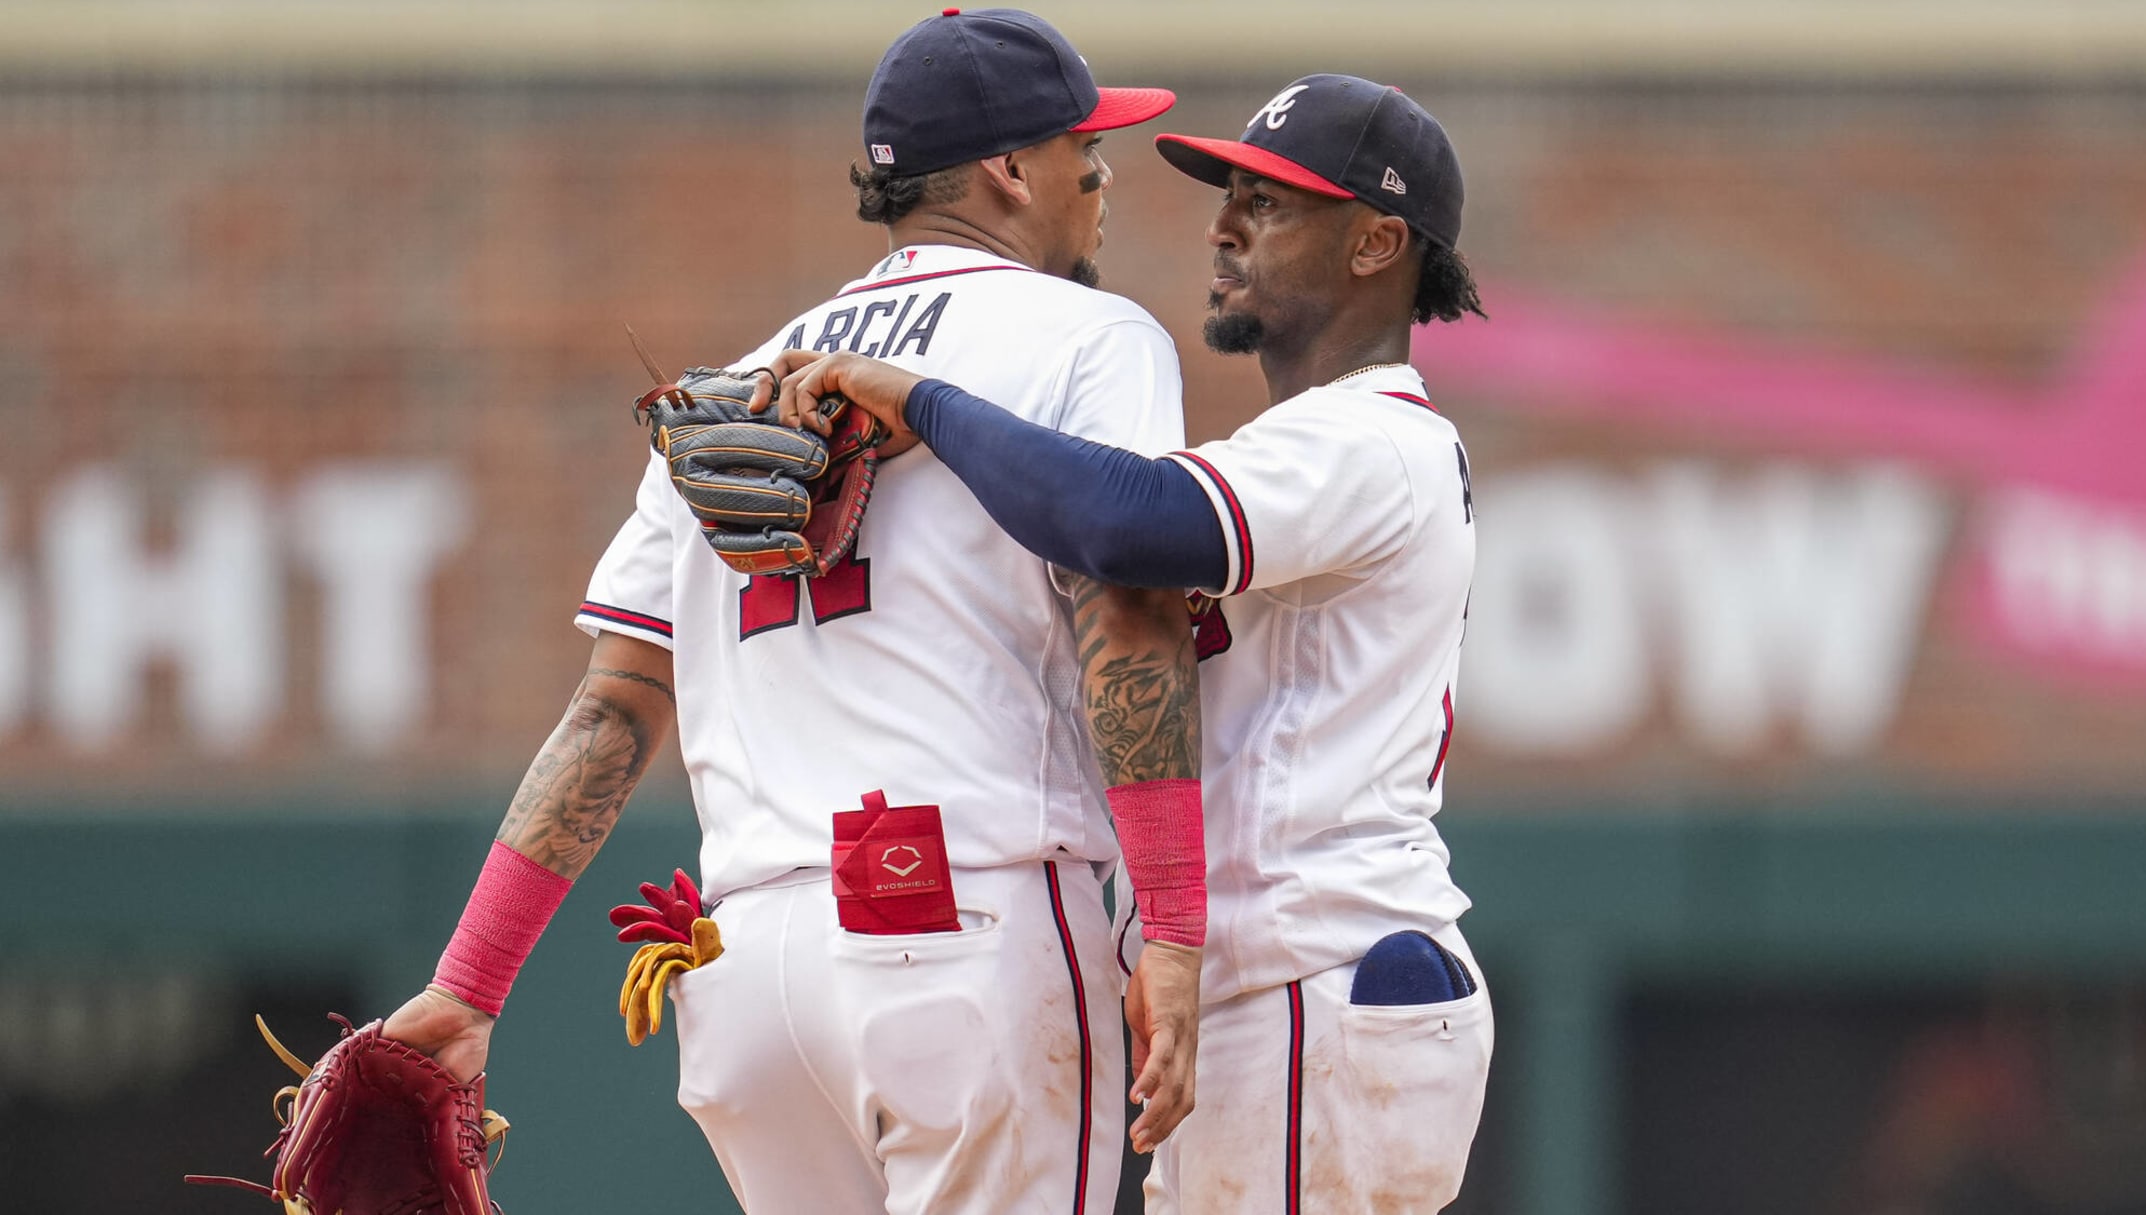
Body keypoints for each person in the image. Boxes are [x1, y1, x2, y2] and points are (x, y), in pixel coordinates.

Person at [375, 10, 1212, 1214]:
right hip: (965, 928)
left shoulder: (732, 382)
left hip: (749, 969)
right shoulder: (1088, 334)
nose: (1102, 173)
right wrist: (1176, 925)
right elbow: (1130, 612)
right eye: (1086, 145)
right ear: (1011, 171)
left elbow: (613, 709)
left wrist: (470, 982)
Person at [759, 74, 1493, 1213]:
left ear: (1378, 242)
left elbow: (1122, 520)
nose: (1224, 225)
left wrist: (923, 399)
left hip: (1323, 970)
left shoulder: (1372, 440)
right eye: (1231, 195)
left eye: (1272, 204)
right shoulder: (1307, 441)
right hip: (1289, 985)